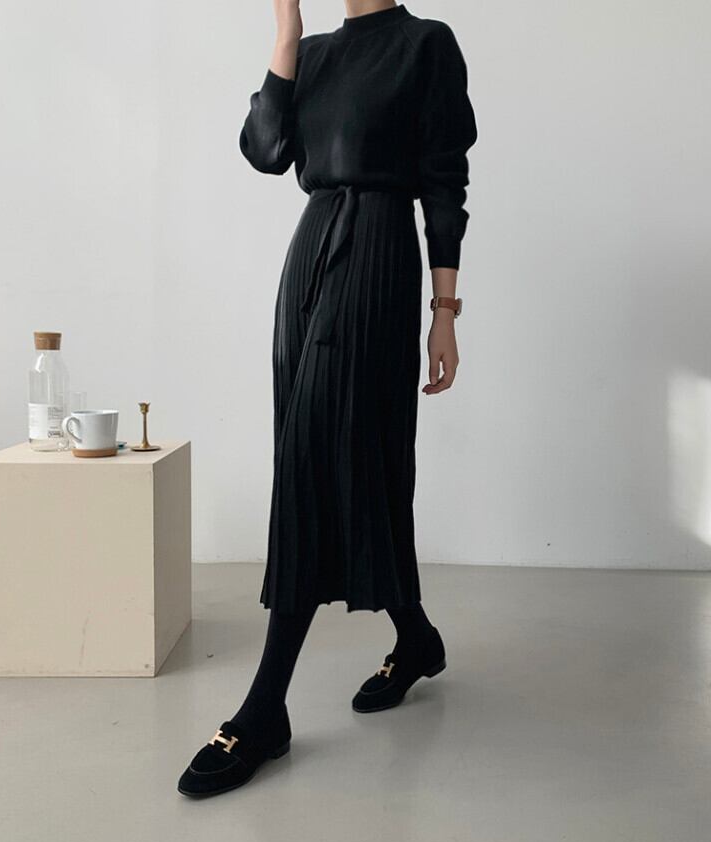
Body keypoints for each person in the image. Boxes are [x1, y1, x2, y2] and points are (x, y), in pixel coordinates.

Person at [178, 0, 477, 798]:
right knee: (342, 459)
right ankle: (416, 639)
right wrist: (285, 32)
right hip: (311, 257)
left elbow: (444, 182)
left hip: (378, 258)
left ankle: (264, 709)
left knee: (317, 460)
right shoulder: (309, 55)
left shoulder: (425, 45)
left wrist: (444, 313)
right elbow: (265, 149)